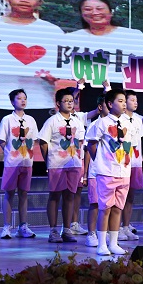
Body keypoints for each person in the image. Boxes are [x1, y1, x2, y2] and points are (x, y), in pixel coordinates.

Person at [0, 0, 64, 140]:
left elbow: (62, 69)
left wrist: (55, 78)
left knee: (33, 147)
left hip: (38, 102)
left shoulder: (52, 31)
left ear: (39, 2)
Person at [85, 89, 133, 256]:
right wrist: (99, 161)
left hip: (124, 172)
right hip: (107, 172)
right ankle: (101, 244)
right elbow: (91, 144)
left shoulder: (127, 123)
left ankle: (113, 243)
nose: (124, 104)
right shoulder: (101, 123)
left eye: (125, 101)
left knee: (118, 208)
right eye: (120, 101)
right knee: (105, 208)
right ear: (110, 104)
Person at [38, 88, 85, 243]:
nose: (70, 104)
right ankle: (53, 230)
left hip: (74, 164)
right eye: (66, 101)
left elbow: (80, 142)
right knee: (54, 196)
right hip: (57, 164)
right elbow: (43, 142)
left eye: (72, 101)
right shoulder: (52, 121)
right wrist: (48, 161)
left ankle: (67, 229)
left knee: (70, 196)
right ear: (58, 103)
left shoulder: (77, 122)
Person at [0, 89, 39, 239]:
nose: (23, 100)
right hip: (12, 163)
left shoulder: (31, 120)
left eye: (24, 98)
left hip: (27, 162)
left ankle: (23, 227)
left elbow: (34, 139)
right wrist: (10, 153)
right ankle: (6, 227)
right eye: (19, 98)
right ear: (12, 102)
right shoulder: (7, 119)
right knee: (9, 193)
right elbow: (1, 140)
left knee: (24, 193)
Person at [118, 89, 143, 242]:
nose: (135, 103)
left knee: (130, 196)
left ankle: (126, 226)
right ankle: (116, 228)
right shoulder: (120, 119)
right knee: (121, 196)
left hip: (136, 162)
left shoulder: (137, 119)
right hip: (122, 162)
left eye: (136, 100)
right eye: (132, 100)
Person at [83, 94, 109, 248]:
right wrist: (85, 173)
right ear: (100, 107)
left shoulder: (116, 125)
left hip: (111, 171)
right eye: (108, 105)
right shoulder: (94, 125)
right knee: (95, 203)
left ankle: (104, 233)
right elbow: (88, 150)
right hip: (95, 171)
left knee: (108, 205)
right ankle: (91, 233)